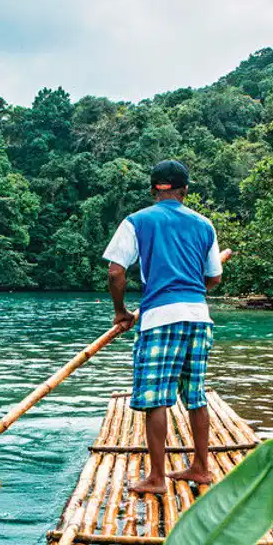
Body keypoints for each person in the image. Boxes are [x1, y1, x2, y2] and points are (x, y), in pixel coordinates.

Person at [103, 160, 231, 495]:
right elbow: (214, 278)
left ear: (152, 189)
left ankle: (157, 478)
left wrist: (121, 311)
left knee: (155, 399)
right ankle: (201, 468)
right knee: (195, 396)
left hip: (160, 318)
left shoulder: (138, 221)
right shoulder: (204, 225)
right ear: (185, 191)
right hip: (199, 318)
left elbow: (116, 273)